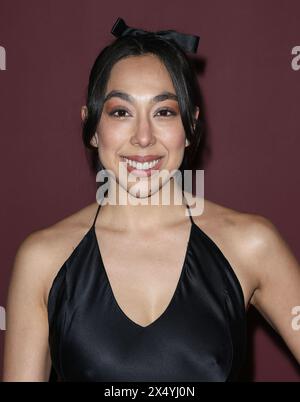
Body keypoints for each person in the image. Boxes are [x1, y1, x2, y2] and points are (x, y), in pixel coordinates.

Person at [2, 17, 300, 382]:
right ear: (92, 127)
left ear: (190, 127)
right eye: (121, 112)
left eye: (164, 112)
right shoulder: (43, 260)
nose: (143, 137)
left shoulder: (251, 244)